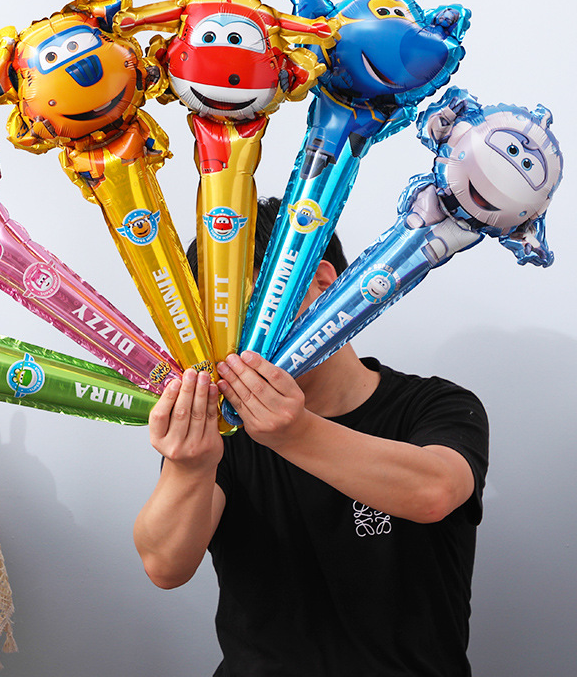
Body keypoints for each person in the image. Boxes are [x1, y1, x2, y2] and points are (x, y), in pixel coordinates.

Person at [134, 196, 489, 677]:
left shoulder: (434, 404)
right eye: (212, 323)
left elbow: (435, 491)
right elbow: (164, 566)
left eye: (246, 308)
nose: (233, 341)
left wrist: (295, 433)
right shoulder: (222, 429)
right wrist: (187, 466)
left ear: (322, 282)